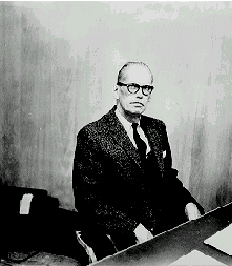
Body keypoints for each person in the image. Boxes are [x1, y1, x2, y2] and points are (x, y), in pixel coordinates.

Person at [72, 62, 204, 261]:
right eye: (132, 86)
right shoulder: (92, 135)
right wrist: (133, 227)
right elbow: (88, 200)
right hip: (117, 229)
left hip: (157, 223)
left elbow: (166, 179)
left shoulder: (157, 128)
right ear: (117, 90)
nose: (140, 94)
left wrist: (188, 203)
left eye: (146, 88)